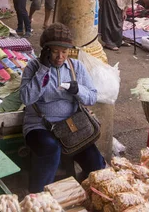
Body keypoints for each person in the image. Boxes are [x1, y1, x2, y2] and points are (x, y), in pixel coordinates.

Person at [20, 23, 105, 193]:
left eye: (64, 52)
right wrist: (43, 69)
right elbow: (26, 98)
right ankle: (37, 196)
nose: (60, 57)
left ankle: (80, 191)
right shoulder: (34, 67)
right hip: (40, 125)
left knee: (97, 164)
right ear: (46, 50)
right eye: (55, 51)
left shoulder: (76, 67)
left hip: (71, 126)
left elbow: (92, 96)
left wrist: (78, 90)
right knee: (50, 149)